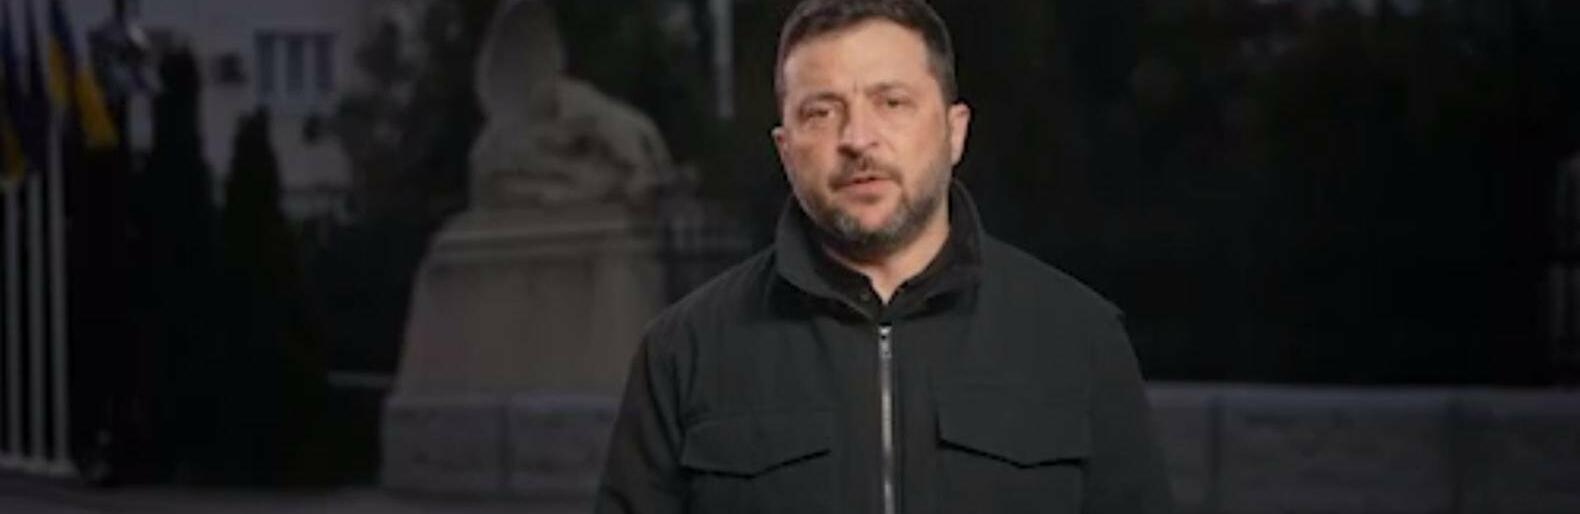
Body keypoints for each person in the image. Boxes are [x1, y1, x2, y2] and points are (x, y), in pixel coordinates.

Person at [595, 0, 1172, 512]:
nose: (857, 138)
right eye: (821, 112)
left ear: (954, 132)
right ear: (786, 150)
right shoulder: (684, 351)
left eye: (891, 102)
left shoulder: (1078, 337)